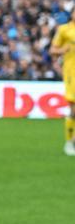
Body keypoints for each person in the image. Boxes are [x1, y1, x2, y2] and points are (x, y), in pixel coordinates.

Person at [49, 16, 75, 156]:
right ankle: (69, 142)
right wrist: (63, 50)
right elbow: (52, 50)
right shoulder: (64, 30)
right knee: (73, 109)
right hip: (72, 74)